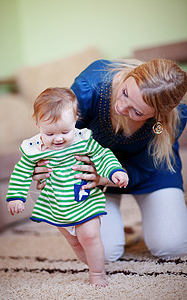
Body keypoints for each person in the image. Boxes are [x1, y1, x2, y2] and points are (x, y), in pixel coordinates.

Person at [33, 58, 187, 262]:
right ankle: (121, 230)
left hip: (150, 169)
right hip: (94, 171)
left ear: (158, 115)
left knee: (172, 247)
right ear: (130, 76)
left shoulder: (170, 119)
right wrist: (45, 164)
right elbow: (61, 139)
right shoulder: (89, 87)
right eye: (125, 93)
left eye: (137, 112)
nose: (122, 107)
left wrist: (112, 177)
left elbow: (151, 162)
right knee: (102, 254)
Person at [6, 87, 128, 287]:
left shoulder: (83, 141)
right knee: (75, 242)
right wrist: (16, 197)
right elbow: (21, 173)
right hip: (57, 205)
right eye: (49, 133)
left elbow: (102, 155)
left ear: (75, 121)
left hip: (84, 199)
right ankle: (94, 262)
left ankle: (96, 273)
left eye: (65, 131)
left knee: (89, 236)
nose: (58, 138)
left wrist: (114, 171)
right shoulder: (34, 150)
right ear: (37, 126)